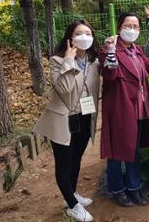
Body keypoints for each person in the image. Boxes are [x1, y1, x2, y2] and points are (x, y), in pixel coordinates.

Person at [34, 20, 100, 222]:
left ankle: (71, 194)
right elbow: (63, 89)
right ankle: (72, 205)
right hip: (63, 118)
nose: (84, 37)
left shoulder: (93, 61)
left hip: (85, 115)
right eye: (79, 33)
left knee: (76, 158)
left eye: (88, 33)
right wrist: (69, 61)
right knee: (64, 163)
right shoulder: (57, 60)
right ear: (70, 38)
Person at [99, 13, 149, 207]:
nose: (131, 29)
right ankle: (117, 189)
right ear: (119, 28)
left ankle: (134, 188)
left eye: (135, 26)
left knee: (134, 150)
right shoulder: (109, 50)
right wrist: (110, 51)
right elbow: (109, 74)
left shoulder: (137, 50)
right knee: (118, 150)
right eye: (127, 25)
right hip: (120, 107)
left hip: (140, 107)